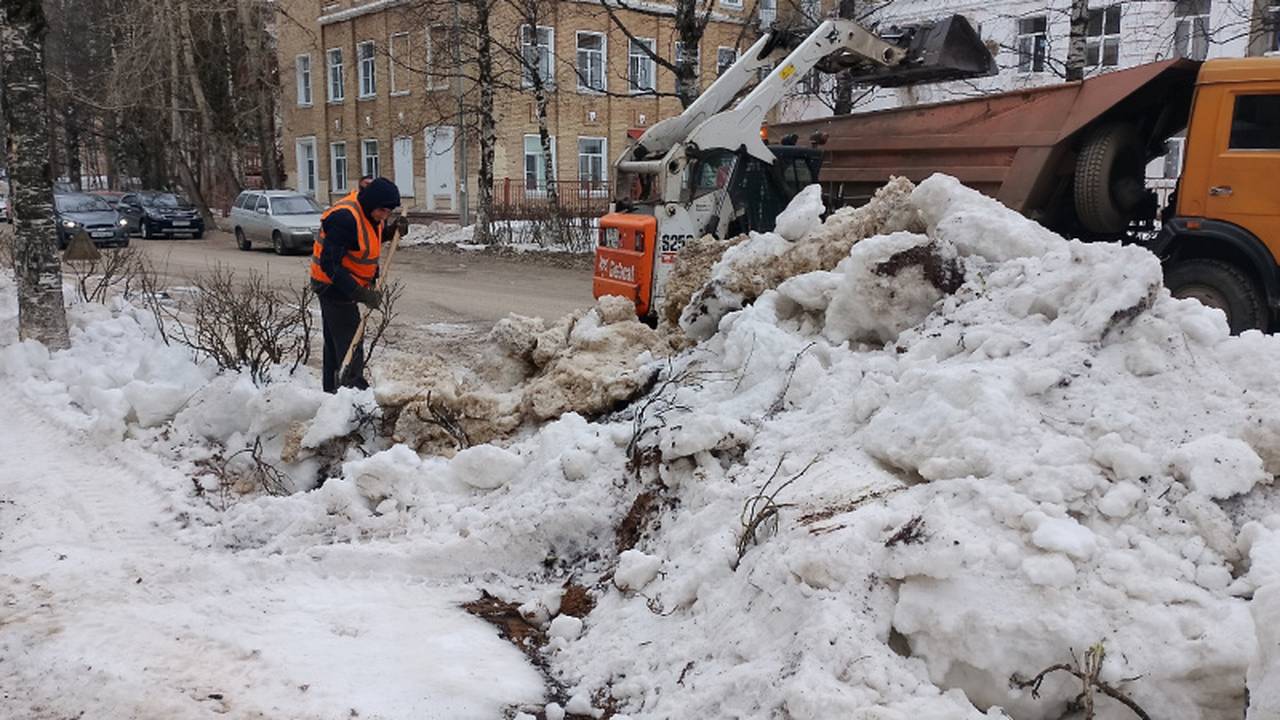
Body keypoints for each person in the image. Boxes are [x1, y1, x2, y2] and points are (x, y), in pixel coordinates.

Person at [311, 177, 401, 393]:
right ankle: (353, 395)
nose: (385, 216)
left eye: (389, 212)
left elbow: (363, 242)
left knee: (335, 343)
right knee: (351, 343)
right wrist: (357, 292)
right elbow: (329, 263)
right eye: (383, 211)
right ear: (372, 203)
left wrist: (393, 231)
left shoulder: (370, 214)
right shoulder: (345, 218)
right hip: (332, 286)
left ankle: (332, 394)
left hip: (346, 284)